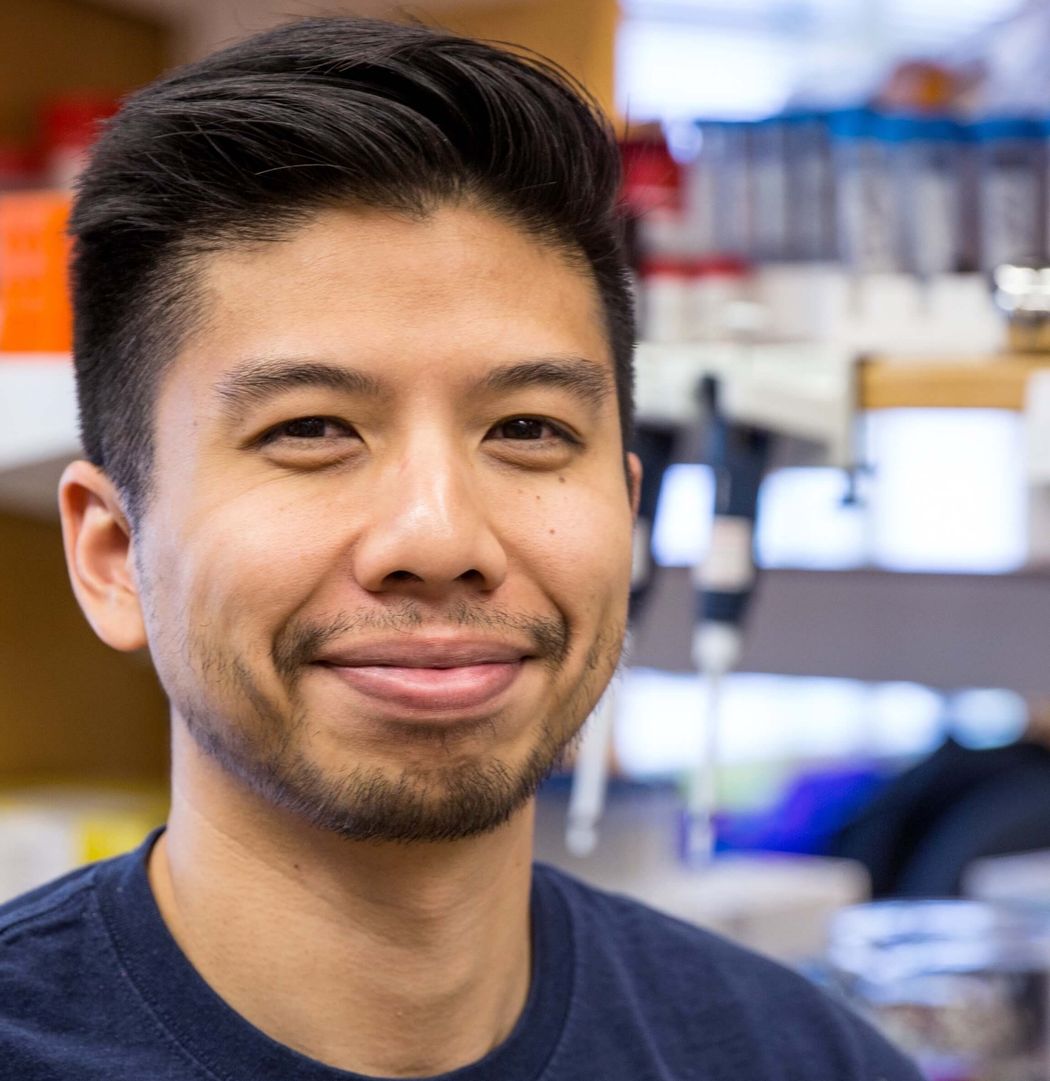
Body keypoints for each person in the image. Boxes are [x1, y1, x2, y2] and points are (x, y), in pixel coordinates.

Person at [0, 17, 922, 1080]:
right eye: (312, 428)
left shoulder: (799, 1057)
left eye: (527, 428)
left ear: (626, 517)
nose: (440, 537)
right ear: (113, 553)